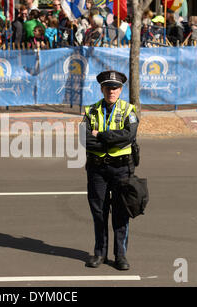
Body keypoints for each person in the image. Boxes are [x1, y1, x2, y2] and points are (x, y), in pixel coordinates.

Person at [83, 70, 139, 270]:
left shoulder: (128, 110)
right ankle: (100, 253)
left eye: (115, 88)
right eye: (108, 87)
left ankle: (121, 255)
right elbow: (85, 139)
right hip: (97, 170)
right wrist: (111, 140)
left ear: (121, 89)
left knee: (121, 213)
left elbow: (128, 136)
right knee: (99, 212)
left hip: (121, 168)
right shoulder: (90, 110)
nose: (111, 91)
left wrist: (102, 135)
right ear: (101, 89)